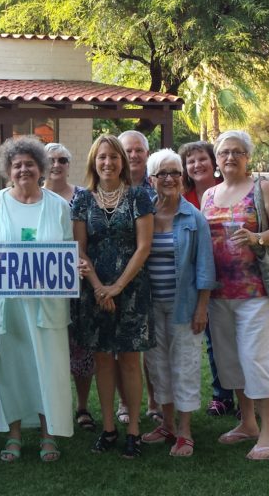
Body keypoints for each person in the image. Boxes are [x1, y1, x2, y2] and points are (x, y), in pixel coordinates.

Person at [0, 136, 75, 462]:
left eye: (30, 164)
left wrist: (77, 264)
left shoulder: (58, 206)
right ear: (7, 170)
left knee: (48, 368)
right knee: (12, 368)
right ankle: (13, 435)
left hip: (47, 306)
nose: (24, 169)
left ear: (41, 167)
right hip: (8, 304)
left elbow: (69, 249)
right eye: (17, 165)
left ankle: (48, 435)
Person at [201, 130, 269, 461]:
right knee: (230, 360)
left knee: (256, 358)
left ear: (248, 157)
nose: (230, 157)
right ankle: (248, 423)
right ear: (216, 158)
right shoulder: (208, 196)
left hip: (256, 291)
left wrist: (257, 238)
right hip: (219, 293)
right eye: (224, 152)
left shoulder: (262, 189)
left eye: (237, 152)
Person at [71, 134, 155, 459]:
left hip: (131, 291)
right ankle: (108, 428)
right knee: (103, 360)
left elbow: (144, 246)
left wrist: (117, 287)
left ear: (123, 161)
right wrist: (97, 287)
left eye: (114, 157)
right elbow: (80, 249)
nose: (108, 163)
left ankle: (133, 429)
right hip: (94, 292)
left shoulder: (138, 197)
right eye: (102, 157)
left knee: (131, 361)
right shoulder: (82, 200)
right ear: (94, 161)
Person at [140, 149, 218, 457]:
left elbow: (205, 266)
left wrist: (202, 307)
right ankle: (167, 424)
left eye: (175, 172)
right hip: (150, 305)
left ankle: (185, 432)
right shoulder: (144, 214)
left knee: (184, 366)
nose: (170, 179)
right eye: (162, 174)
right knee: (157, 366)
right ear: (151, 180)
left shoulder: (194, 218)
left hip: (184, 306)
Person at [179, 141, 236, 418]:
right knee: (213, 340)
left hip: (229, 274)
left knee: (235, 338)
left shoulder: (225, 192)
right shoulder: (182, 196)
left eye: (202, 159)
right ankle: (221, 395)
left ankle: (247, 396)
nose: (197, 165)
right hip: (194, 280)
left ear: (213, 162)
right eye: (191, 161)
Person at [44, 142, 95, 431]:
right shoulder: (31, 196)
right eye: (51, 160)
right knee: (50, 347)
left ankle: (83, 406)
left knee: (81, 348)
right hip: (43, 286)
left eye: (62, 159)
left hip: (79, 284)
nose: (56, 164)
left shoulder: (84, 197)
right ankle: (50, 404)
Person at [117, 130, 160, 424]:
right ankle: (124, 403)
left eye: (138, 150)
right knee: (123, 347)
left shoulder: (156, 189)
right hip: (117, 278)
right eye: (128, 150)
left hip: (152, 275)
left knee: (150, 347)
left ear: (147, 153)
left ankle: (155, 403)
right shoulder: (107, 187)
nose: (133, 155)